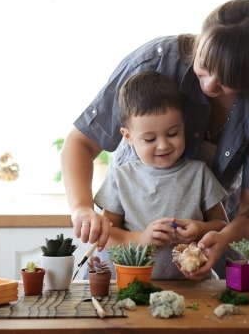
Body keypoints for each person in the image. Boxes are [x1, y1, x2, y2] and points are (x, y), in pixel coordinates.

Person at [61, 0, 249, 280]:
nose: (208, 85)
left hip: (202, 259)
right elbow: (80, 144)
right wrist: (82, 209)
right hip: (127, 268)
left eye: (228, 80)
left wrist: (220, 237)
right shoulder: (155, 62)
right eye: (204, 65)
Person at [94, 71, 228, 279]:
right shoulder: (120, 178)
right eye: (149, 139)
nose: (163, 145)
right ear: (128, 137)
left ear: (184, 126)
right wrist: (143, 238)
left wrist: (199, 229)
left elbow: (222, 226)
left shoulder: (199, 174)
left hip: (193, 289)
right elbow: (107, 236)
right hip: (134, 285)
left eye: (173, 133)